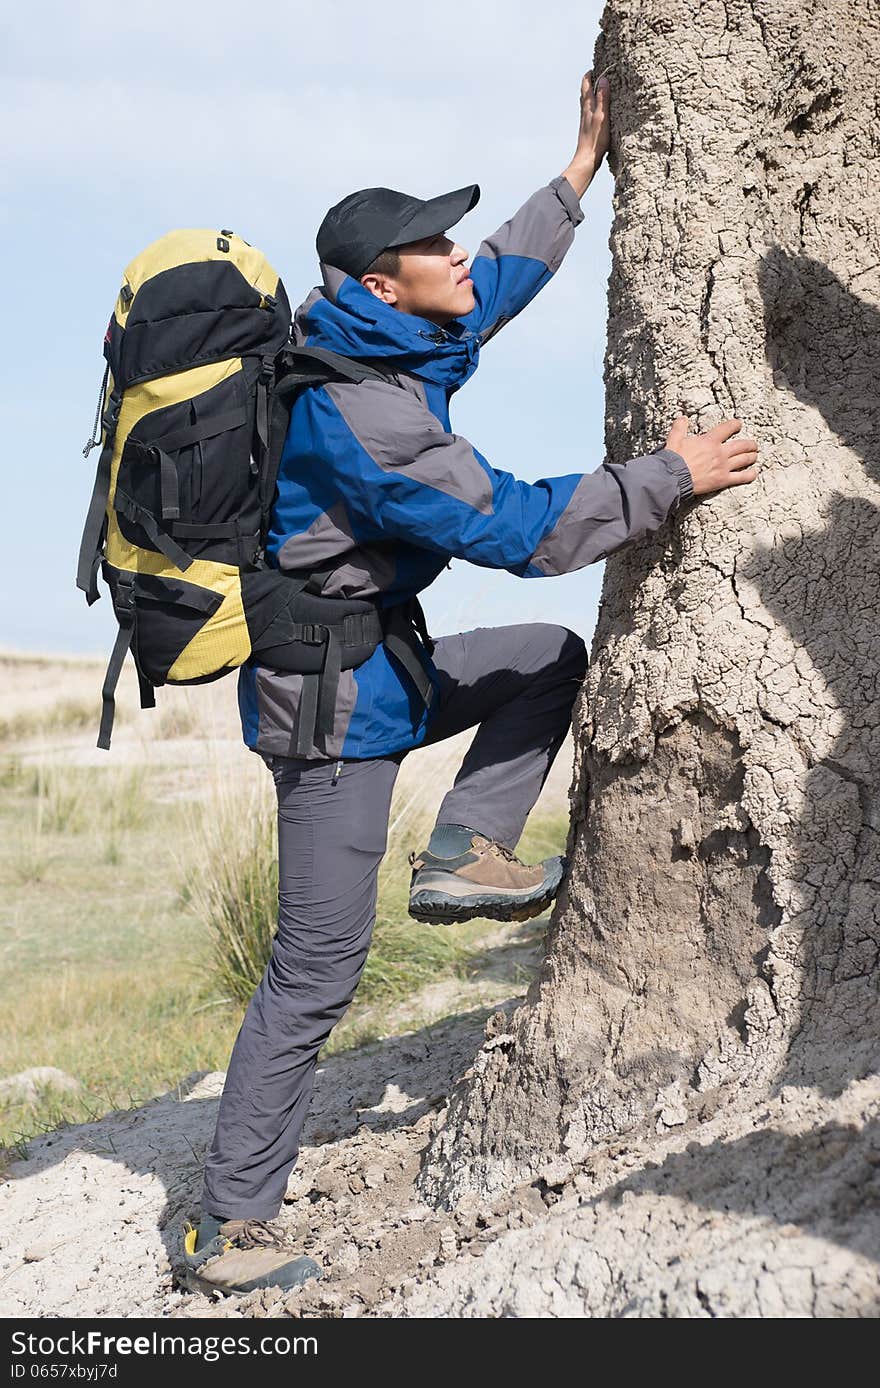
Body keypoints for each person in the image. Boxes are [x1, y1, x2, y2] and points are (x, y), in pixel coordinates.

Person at [183, 72, 759, 1296]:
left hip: (380, 669)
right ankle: (228, 1224)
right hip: (332, 716)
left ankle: (462, 854)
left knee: (545, 658)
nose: (456, 253)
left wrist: (577, 176)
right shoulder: (360, 415)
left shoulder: (379, 332)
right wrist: (670, 472)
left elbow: (483, 291)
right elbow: (523, 531)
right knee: (316, 967)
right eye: (431, 244)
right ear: (379, 281)